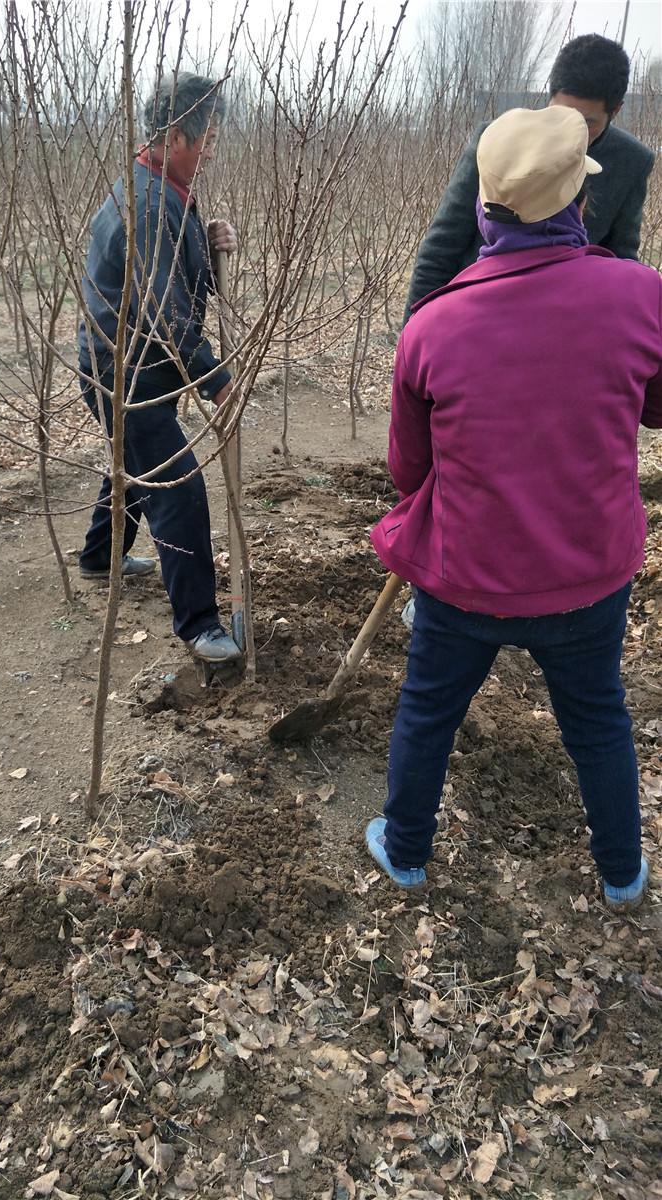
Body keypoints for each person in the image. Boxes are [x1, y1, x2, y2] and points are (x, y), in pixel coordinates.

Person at [367, 105, 662, 912]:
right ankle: (622, 875)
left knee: (428, 713)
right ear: (576, 202)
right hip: (590, 576)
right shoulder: (642, 296)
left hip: (466, 578)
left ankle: (405, 851)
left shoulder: (432, 326)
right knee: (599, 718)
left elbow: (408, 468)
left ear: (484, 205)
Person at [77, 74, 242, 664]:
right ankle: (199, 625)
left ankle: (101, 556)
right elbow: (168, 316)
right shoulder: (148, 205)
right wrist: (221, 381)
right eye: (207, 139)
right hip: (125, 373)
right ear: (176, 137)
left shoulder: (160, 188)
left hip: (139, 369)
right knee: (177, 484)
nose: (210, 150)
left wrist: (207, 235)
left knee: (133, 461)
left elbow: (172, 268)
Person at [403, 34, 655, 323]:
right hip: (473, 315)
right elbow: (439, 252)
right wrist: (414, 344)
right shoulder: (498, 143)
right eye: (562, 112)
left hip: (561, 326)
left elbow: (620, 260)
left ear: (616, 111)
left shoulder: (631, 161)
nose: (570, 131)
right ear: (549, 97)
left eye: (587, 123)